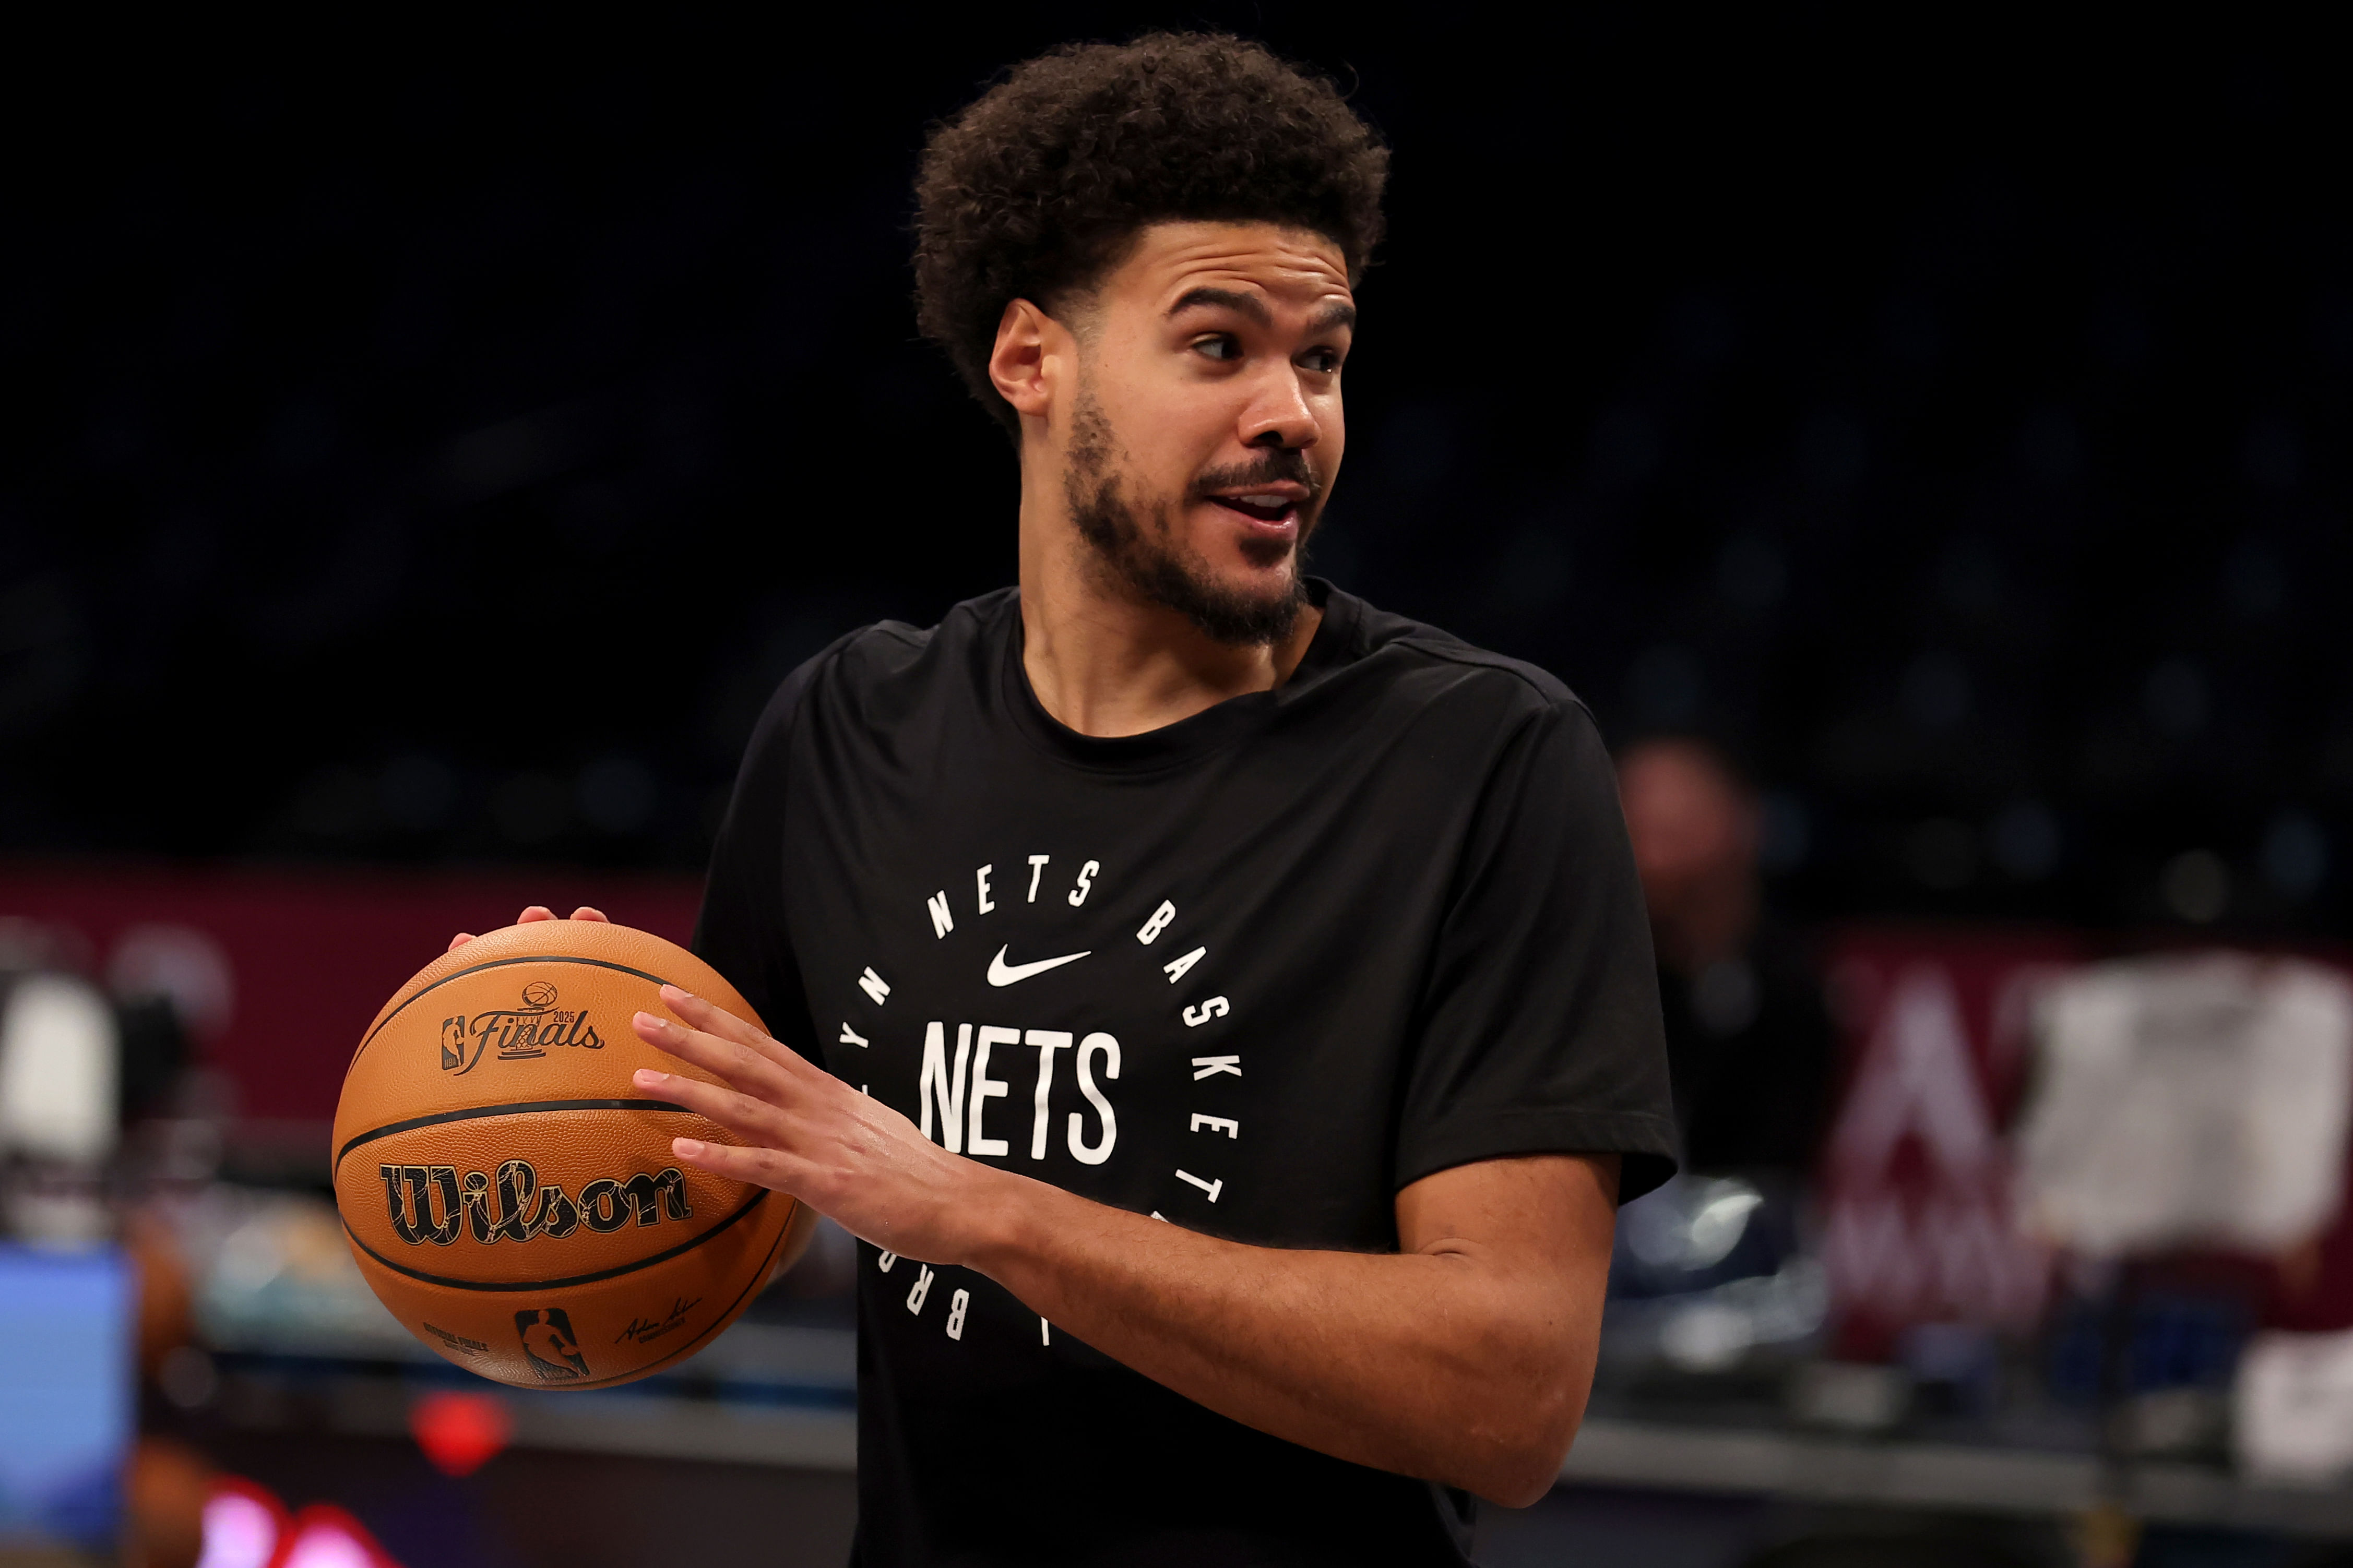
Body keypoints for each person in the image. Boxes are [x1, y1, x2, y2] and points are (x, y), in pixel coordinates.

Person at [460, 34, 1673, 1565]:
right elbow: (735, 1209)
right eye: (1218, 346)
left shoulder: (1482, 759)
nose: (1294, 410)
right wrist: (551, 1039)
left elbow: (1508, 1392)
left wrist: (984, 1209)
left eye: (1321, 354)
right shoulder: (849, 724)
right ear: (1032, 361)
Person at [1617, 736, 1833, 1177]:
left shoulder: (1789, 990)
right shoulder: (1583, 984)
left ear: (1743, 825)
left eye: (1674, 833)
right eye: (1637, 832)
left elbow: (1772, 1167)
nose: (1652, 860)